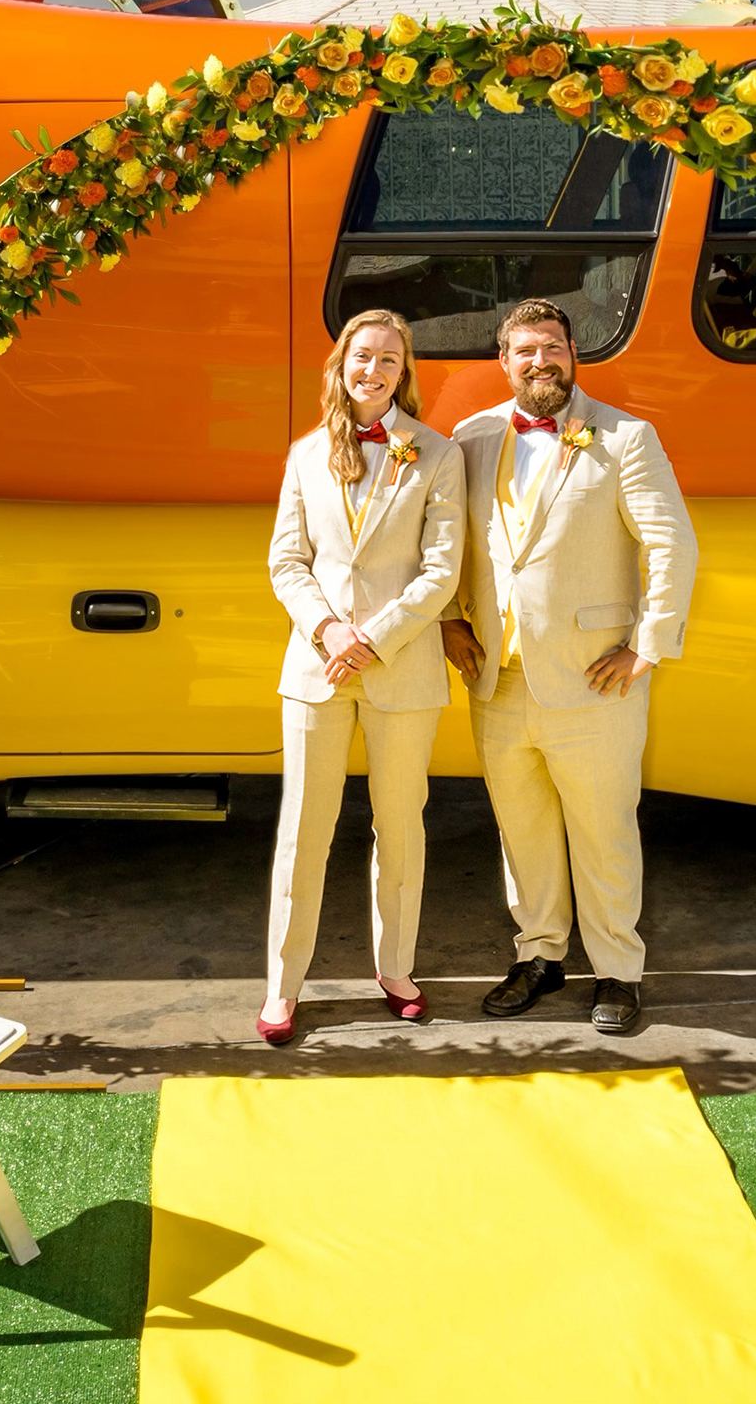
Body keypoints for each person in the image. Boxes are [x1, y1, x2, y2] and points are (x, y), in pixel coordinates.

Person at [439, 299, 697, 1036]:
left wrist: (648, 645)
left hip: (594, 681)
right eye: (525, 351)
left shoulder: (626, 437)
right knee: (521, 831)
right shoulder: (473, 437)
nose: (540, 362)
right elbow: (454, 545)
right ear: (504, 361)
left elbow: (671, 545)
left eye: (551, 347)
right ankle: (541, 955)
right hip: (498, 680)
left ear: (574, 353)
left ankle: (618, 971)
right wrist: (453, 619)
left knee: (603, 829)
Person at [261, 309, 467, 1047]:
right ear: (340, 366)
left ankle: (397, 970)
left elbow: (442, 571)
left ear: (403, 372)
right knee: (303, 831)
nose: (373, 370)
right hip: (316, 668)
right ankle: (283, 988)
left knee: (400, 825)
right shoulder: (305, 453)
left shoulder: (438, 455)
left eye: (388, 359)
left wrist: (371, 639)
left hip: (401, 668)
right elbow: (287, 561)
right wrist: (328, 632)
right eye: (362, 357)